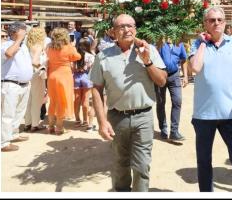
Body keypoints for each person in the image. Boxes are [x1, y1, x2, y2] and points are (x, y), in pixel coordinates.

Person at [90, 14, 167, 192]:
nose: (126, 30)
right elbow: (96, 90)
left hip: (143, 117)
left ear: (135, 29)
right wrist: (102, 122)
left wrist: (147, 61)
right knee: (120, 166)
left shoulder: (148, 50)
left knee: (142, 167)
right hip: (117, 118)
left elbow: (162, 81)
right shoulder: (103, 56)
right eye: (121, 27)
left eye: (130, 26)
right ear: (113, 32)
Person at [188, 7, 232, 192]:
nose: (216, 23)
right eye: (211, 20)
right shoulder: (196, 44)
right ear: (205, 24)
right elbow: (196, 68)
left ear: (225, 23)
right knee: (204, 161)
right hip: (203, 115)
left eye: (219, 20)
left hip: (231, 113)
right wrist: (202, 42)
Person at [1, 22, 32, 152]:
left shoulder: (23, 46)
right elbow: (8, 54)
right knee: (7, 114)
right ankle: (3, 142)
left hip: (24, 84)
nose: (25, 33)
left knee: (19, 111)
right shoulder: (5, 45)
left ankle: (13, 134)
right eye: (22, 31)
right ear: (14, 33)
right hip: (10, 84)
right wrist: (18, 39)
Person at [46, 27, 82, 135]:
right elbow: (78, 57)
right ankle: (59, 127)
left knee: (53, 101)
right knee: (62, 101)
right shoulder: (69, 47)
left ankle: (51, 126)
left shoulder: (48, 47)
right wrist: (74, 47)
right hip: (64, 76)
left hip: (52, 75)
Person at [155, 37, 189, 143]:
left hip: (174, 75)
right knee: (161, 102)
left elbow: (183, 59)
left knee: (177, 101)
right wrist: (158, 44)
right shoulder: (159, 42)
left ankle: (174, 131)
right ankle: (163, 128)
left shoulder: (179, 44)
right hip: (160, 75)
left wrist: (186, 76)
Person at [24, 27, 49, 132]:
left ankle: (27, 123)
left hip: (28, 74)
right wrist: (42, 67)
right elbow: (35, 61)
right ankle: (35, 124)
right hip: (37, 75)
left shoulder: (27, 46)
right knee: (37, 100)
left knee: (28, 100)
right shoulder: (38, 46)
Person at [73, 37, 96, 131]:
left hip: (76, 77)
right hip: (86, 77)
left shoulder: (75, 55)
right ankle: (86, 121)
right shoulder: (90, 56)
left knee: (77, 99)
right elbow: (92, 68)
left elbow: (72, 67)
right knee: (86, 100)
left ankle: (77, 120)